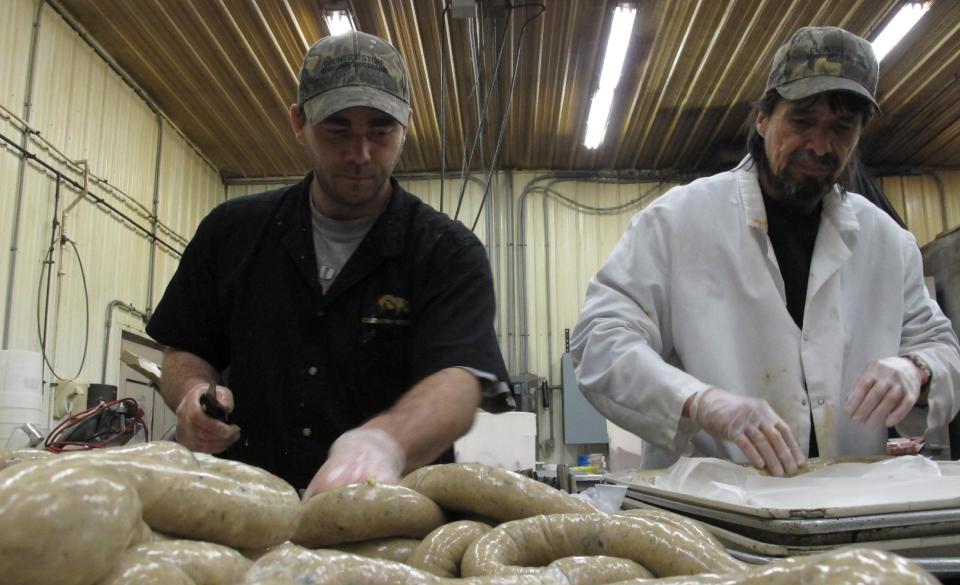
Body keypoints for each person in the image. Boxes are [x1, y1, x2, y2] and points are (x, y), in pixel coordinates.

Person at [571, 26, 960, 477]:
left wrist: (916, 370)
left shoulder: (888, 244)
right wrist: (698, 401)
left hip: (849, 506)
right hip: (711, 514)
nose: (819, 145)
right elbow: (600, 337)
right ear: (763, 119)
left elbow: (941, 348)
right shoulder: (679, 220)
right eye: (801, 120)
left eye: (841, 127)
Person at [147, 31, 512, 498]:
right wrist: (192, 393)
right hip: (247, 510)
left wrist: (383, 443)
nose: (360, 154)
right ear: (299, 122)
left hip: (389, 520)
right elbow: (183, 351)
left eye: (380, 132)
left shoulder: (447, 251)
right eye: (338, 129)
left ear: (406, 125)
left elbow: (459, 381)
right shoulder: (230, 233)